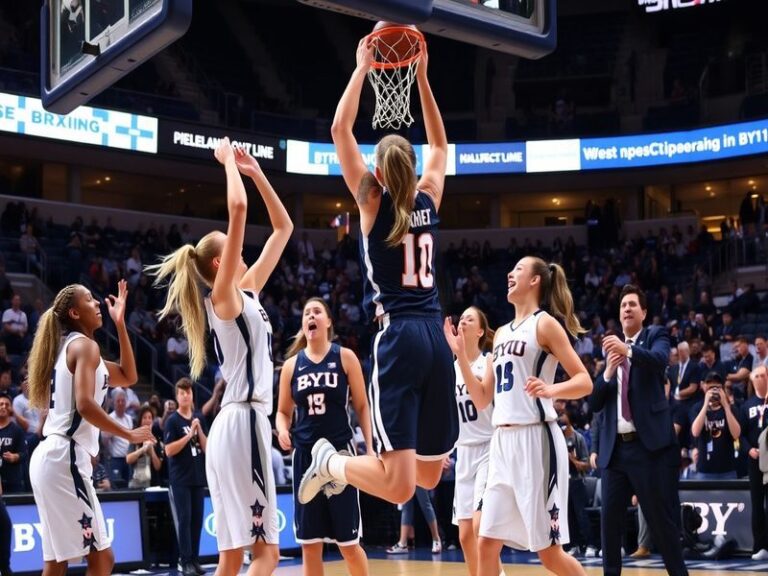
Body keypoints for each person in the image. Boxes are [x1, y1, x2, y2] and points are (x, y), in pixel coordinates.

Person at [298, 33, 458, 507]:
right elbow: (440, 143)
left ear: (380, 173)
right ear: (411, 166)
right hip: (428, 335)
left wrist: (361, 69)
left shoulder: (371, 200)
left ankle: (334, 466)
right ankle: (331, 463)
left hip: (407, 336)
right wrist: (422, 78)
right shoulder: (429, 195)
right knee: (404, 485)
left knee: (426, 477)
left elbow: (339, 130)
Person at [147, 138, 292, 576]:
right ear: (218, 264)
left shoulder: (246, 292)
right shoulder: (224, 296)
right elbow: (239, 209)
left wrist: (256, 172)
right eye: (232, 248)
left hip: (232, 425)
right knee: (266, 554)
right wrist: (228, 163)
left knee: (230, 557)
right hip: (244, 420)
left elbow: (283, 228)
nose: (241, 251)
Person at [444, 257, 593, 576]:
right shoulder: (500, 334)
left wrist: (551, 390)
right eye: (510, 270)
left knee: (549, 554)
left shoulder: (544, 324)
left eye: (518, 270)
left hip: (536, 439)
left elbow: (584, 381)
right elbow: (482, 398)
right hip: (501, 442)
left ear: (535, 281)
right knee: (485, 542)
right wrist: (460, 356)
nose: (510, 274)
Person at [26, 281, 153, 576]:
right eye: (89, 300)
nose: (97, 303)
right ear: (74, 313)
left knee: (56, 563)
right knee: (102, 559)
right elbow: (84, 404)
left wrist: (120, 324)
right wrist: (128, 433)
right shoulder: (85, 346)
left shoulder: (73, 348)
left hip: (53, 458)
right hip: (64, 457)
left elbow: (129, 376)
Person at [590, 284, 688, 576]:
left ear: (644, 312)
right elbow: (595, 402)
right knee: (609, 524)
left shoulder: (655, 335)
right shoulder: (611, 352)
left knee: (661, 523)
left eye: (632, 304)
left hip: (648, 448)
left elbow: (660, 360)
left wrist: (628, 350)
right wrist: (608, 372)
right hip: (615, 451)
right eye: (623, 305)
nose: (627, 309)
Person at [276, 297, 371, 576]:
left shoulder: (345, 357)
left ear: (328, 321)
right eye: (306, 313)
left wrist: (370, 447)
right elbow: (282, 412)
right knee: (310, 545)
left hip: (339, 455)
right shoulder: (291, 366)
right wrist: (282, 429)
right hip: (305, 457)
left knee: (349, 545)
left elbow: (362, 406)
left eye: (317, 311)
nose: (311, 316)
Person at [449, 306, 502, 576]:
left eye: (470, 319)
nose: (463, 322)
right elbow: (446, 415)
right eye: (461, 319)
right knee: (465, 535)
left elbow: (484, 401)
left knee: (482, 528)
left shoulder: (489, 361)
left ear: (480, 331)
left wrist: (461, 358)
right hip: (464, 451)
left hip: (488, 449)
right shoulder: (450, 369)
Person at [164, 379, 208, 576]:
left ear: (192, 395)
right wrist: (189, 436)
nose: (185, 395)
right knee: (185, 519)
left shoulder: (199, 418)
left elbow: (207, 448)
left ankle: (195, 560)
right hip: (180, 478)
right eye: (182, 393)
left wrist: (199, 432)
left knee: (197, 520)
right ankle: (185, 560)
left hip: (198, 476)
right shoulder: (172, 421)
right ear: (177, 396)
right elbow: (168, 450)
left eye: (188, 392)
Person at [739, 365, 768, 560]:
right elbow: (740, 435)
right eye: (756, 376)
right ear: (751, 380)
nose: (760, 379)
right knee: (757, 505)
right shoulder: (746, 406)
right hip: (755, 460)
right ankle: (759, 547)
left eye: (763, 375)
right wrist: (749, 449)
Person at [689, 372, 740, 480]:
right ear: (704, 387)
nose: (714, 391)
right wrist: (705, 405)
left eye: (717, 388)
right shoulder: (697, 408)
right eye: (711, 388)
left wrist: (726, 405)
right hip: (705, 469)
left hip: (727, 469)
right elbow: (695, 432)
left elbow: (736, 434)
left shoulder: (731, 409)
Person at [387, 487, 443, 554]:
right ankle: (402, 543)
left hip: (419, 480)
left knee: (425, 504)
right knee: (406, 506)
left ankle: (436, 539)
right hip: (407, 480)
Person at [127, 404, 163, 489]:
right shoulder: (134, 438)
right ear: (140, 420)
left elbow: (158, 466)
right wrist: (142, 450)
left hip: (153, 484)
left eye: (150, 418)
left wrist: (152, 452)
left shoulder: (157, 440)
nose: (147, 420)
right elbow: (128, 459)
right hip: (136, 483)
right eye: (144, 418)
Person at [0, 394, 26, 493]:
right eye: (1, 404)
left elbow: (24, 453)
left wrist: (15, 457)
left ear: (11, 409)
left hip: (12, 480)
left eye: (7, 404)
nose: (4, 406)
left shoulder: (17, 430)